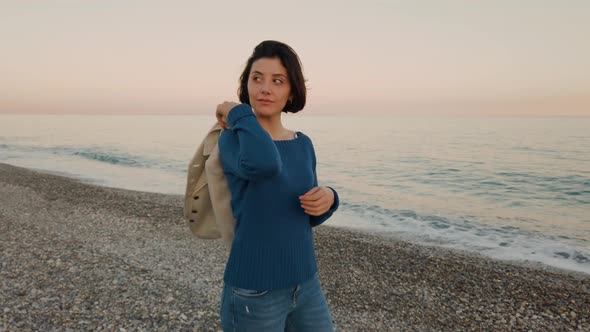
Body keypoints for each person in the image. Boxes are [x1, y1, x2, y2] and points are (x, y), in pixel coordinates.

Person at [214, 40, 340, 331]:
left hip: (306, 283)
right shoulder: (234, 140)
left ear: (291, 91)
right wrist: (237, 113)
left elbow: (309, 214)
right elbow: (266, 164)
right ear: (246, 86)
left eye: (277, 81)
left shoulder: (303, 143)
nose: (265, 88)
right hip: (254, 291)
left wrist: (330, 198)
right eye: (256, 79)